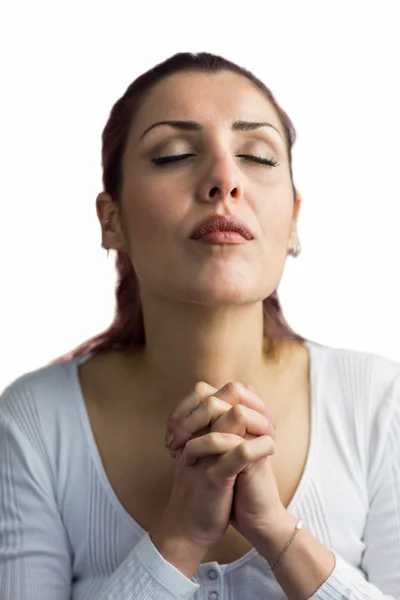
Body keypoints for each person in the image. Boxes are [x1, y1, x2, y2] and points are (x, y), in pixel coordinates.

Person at [0, 52, 399, 600]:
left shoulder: (379, 402)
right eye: (175, 154)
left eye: (257, 156)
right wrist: (179, 538)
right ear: (111, 220)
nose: (224, 179)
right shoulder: (35, 421)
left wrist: (276, 532)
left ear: (293, 221)